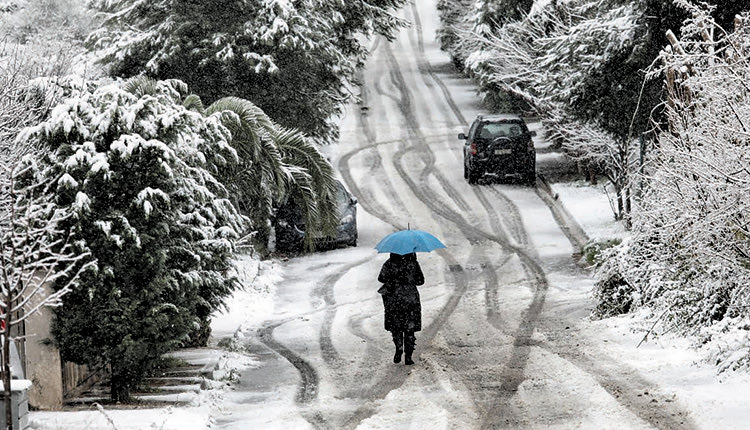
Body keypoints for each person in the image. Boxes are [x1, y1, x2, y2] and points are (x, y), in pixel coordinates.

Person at [377, 252, 424, 365]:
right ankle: (408, 356)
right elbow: (421, 281)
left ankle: (398, 348)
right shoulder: (413, 264)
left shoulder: (389, 264)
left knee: (396, 326)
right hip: (410, 300)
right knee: (409, 328)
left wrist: (394, 279)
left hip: (394, 300)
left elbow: (381, 278)